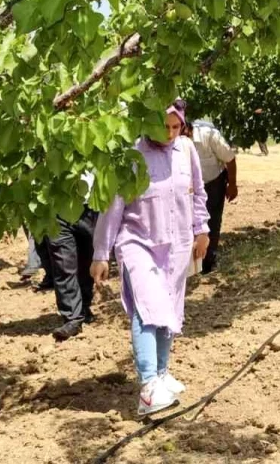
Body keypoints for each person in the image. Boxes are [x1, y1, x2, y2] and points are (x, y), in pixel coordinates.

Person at [91, 103, 210, 417]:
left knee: (168, 308)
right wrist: (101, 254)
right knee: (147, 309)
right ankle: (147, 387)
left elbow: (197, 192)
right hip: (138, 242)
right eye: (163, 127)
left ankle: (161, 373)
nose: (169, 134)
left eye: (175, 127)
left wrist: (202, 229)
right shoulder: (132, 156)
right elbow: (112, 207)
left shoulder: (186, 150)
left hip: (177, 244)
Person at [48, 173, 100, 341]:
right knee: (63, 264)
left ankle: (84, 308)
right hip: (57, 208)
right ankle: (72, 318)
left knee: (87, 261)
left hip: (91, 206)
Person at [189, 117, 238, 274]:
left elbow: (230, 159)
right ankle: (192, 265)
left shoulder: (208, 135)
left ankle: (208, 264)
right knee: (189, 224)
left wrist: (232, 184)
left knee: (212, 222)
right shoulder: (173, 140)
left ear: (187, 129)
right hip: (190, 188)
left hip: (213, 182)